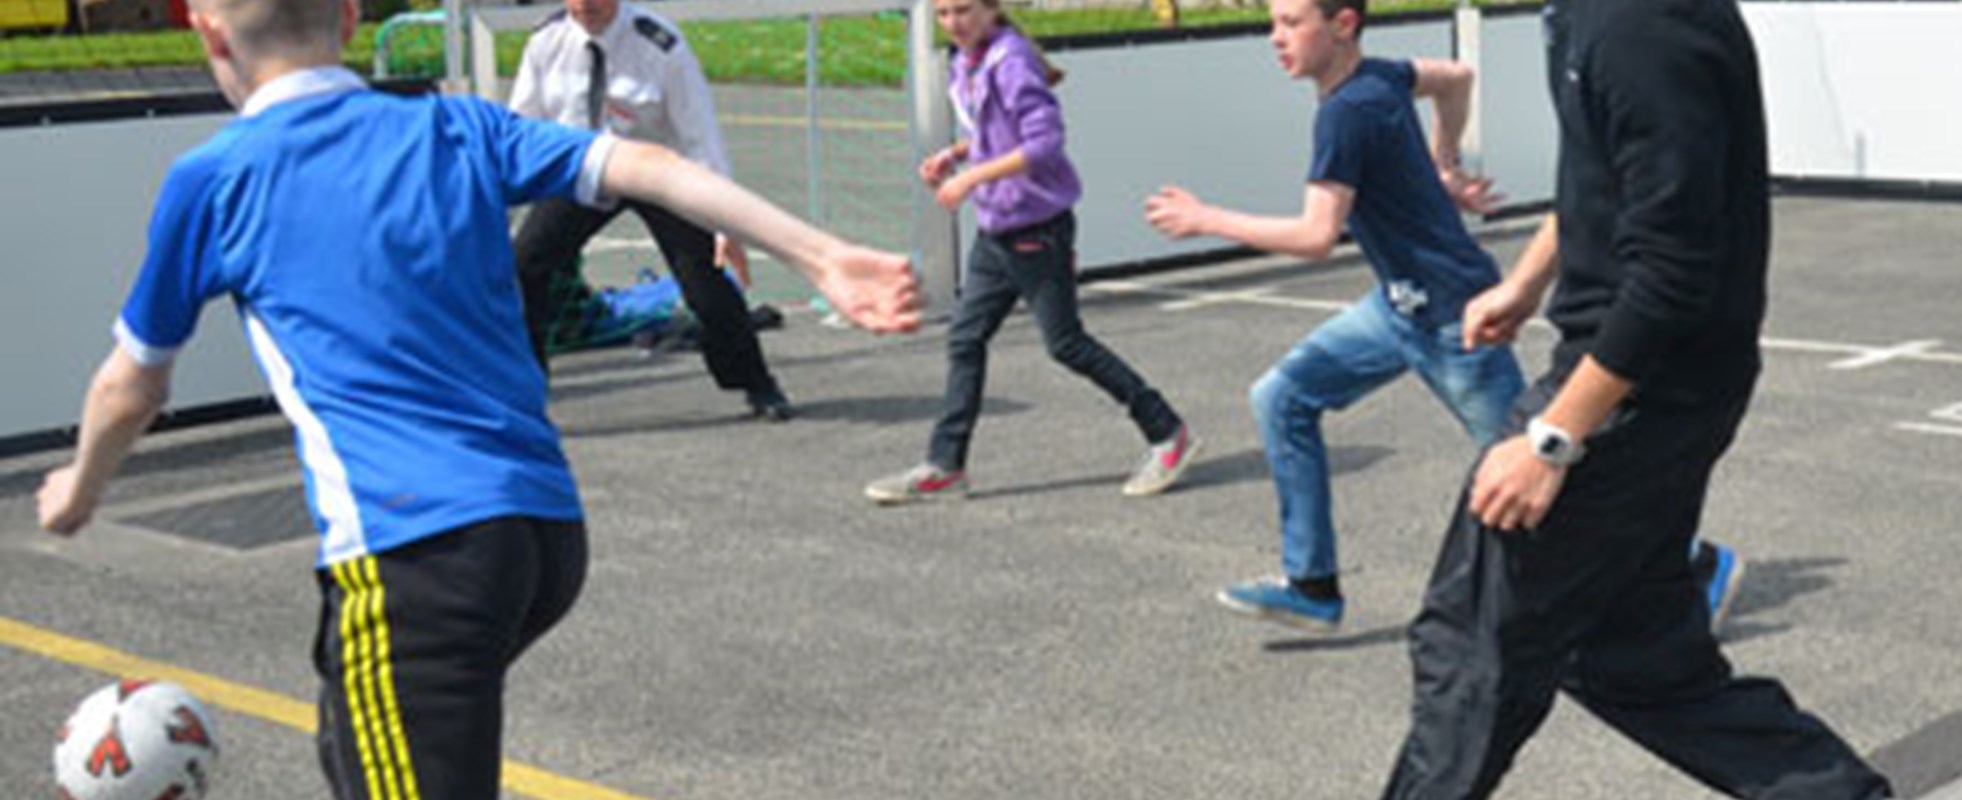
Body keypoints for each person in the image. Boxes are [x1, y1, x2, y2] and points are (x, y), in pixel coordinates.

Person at [32, 1, 919, 797]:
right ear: (349, 19)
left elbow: (133, 381)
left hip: (415, 557)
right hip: (541, 536)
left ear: (206, 30)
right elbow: (645, 163)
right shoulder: (455, 128)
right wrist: (818, 252)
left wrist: (79, 485)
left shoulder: (215, 177)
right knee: (352, 743)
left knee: (380, 733)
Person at [1374, 0, 1890, 796]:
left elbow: (1673, 271)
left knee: (1471, 648)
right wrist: (1525, 282)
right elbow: (1604, 182)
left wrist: (1552, 440)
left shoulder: (1641, 28)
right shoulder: (1589, 17)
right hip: (1648, 381)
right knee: (1633, 661)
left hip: (1634, 393)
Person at [1142, 0, 1738, 633]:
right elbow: (1457, 77)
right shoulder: (1382, 76)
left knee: (1539, 468)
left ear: (1343, 25)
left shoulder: (1347, 112)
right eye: (1272, 24)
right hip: (1397, 306)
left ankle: (1692, 562)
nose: (1275, 39)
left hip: (1453, 319)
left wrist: (1206, 220)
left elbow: (1318, 235)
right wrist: (1444, 161)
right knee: (1281, 397)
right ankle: (1312, 583)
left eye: (1291, 23)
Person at [865, 0, 1197, 504]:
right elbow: (993, 135)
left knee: (1066, 343)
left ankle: (1167, 431)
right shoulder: (967, 61)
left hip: (1035, 230)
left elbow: (1044, 144)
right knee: (965, 338)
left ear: (992, 9)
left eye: (964, 10)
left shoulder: (1011, 61)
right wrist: (955, 155)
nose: (953, 22)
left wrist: (971, 178)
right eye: (944, 13)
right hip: (997, 230)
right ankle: (945, 463)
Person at [509, 0, 799, 420]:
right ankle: (526, 389)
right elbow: (522, 127)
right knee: (523, 266)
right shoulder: (545, 41)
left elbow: (699, 134)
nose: (584, 5)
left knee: (706, 281)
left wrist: (723, 220)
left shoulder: (660, 43)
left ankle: (756, 383)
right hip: (584, 168)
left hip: (658, 172)